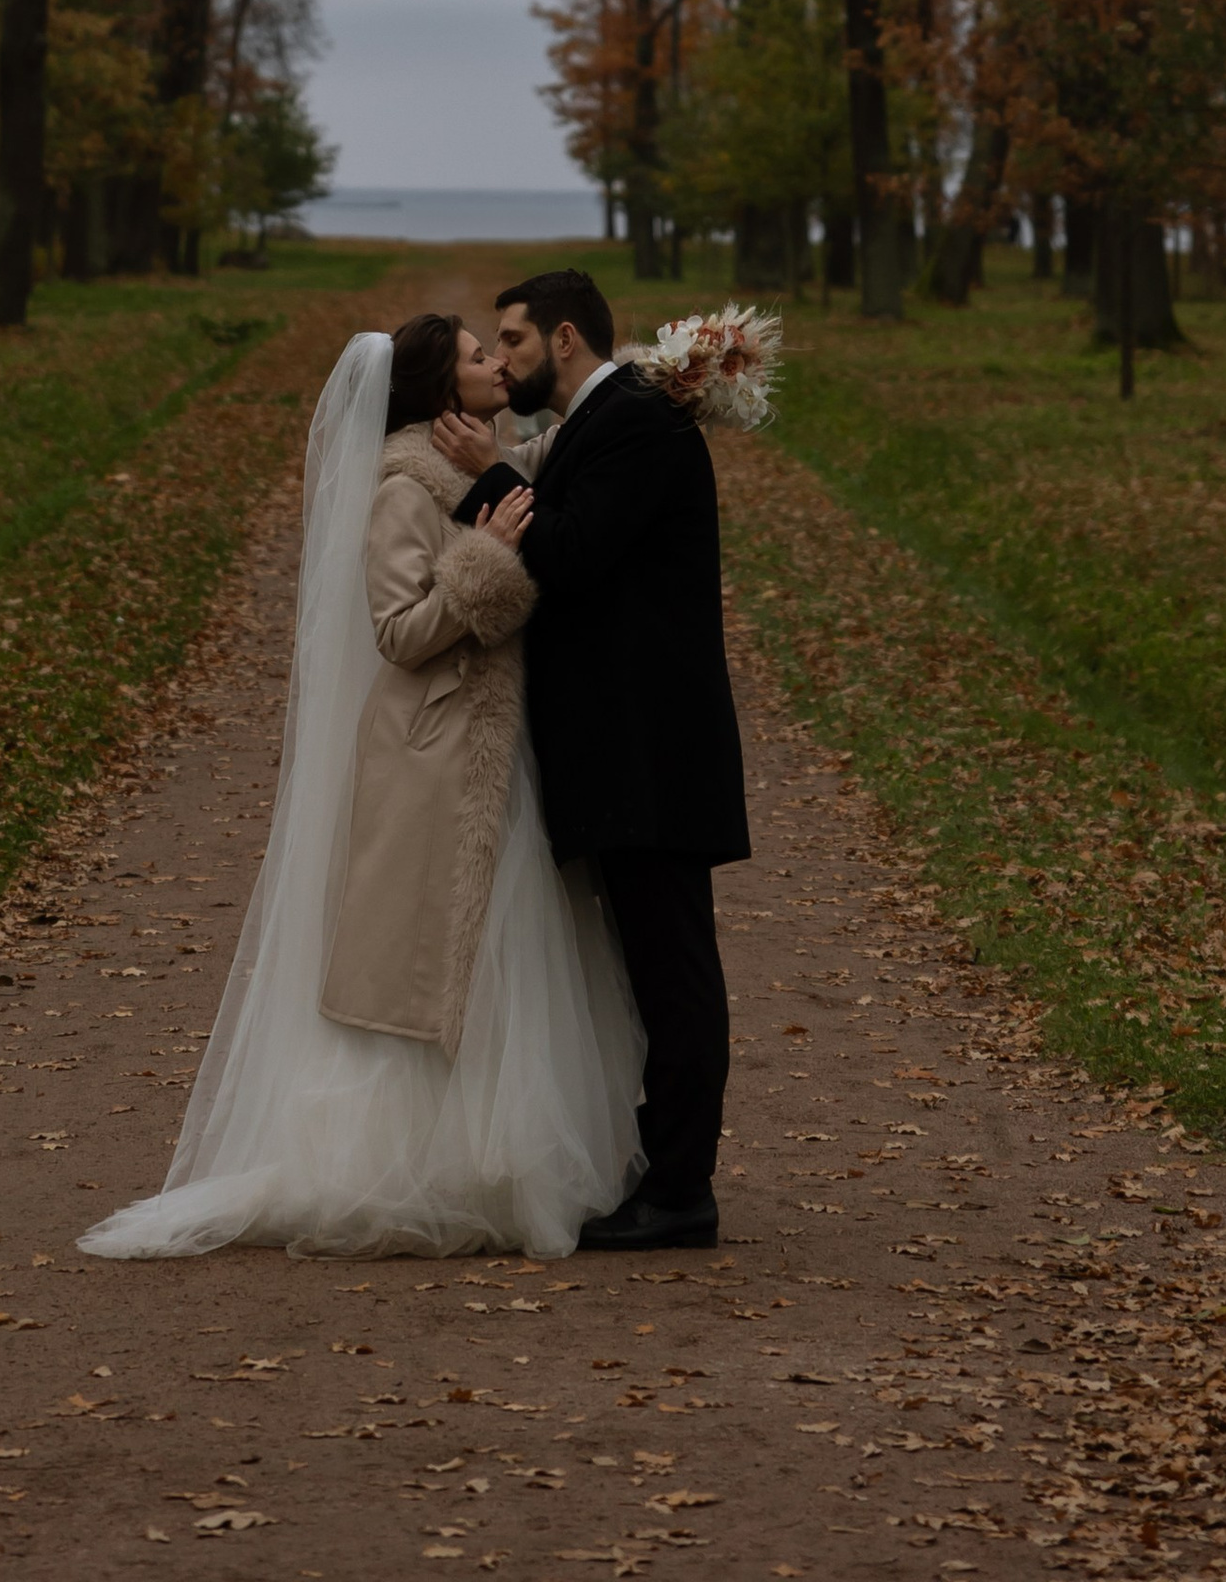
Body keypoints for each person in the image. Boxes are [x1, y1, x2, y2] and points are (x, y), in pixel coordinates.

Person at [79, 315, 641, 1259]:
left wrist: (673, 376)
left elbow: (571, 443)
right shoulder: (403, 485)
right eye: (475, 356)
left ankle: (495, 1160)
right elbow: (399, 630)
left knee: (504, 953)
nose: (497, 363)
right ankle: (408, 1165)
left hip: (494, 747)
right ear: (437, 392)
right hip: (434, 755)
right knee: (429, 960)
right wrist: (490, 558)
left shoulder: (475, 456)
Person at [439, 268, 747, 1252]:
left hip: (651, 752)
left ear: (565, 339)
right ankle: (659, 1170)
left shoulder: (638, 422)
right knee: (651, 967)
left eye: (515, 342)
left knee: (675, 971)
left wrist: (489, 474)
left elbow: (569, 555)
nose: (506, 360)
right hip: (629, 752)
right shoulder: (603, 423)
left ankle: (681, 1192)